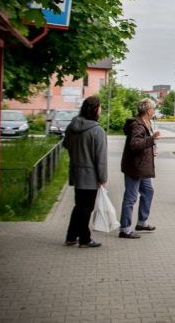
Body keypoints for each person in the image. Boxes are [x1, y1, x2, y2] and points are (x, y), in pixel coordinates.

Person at [63, 95, 107, 248]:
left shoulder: (72, 126)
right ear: (95, 109)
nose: (101, 110)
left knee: (79, 206)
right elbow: (100, 158)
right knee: (86, 208)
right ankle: (84, 239)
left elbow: (66, 144)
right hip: (90, 175)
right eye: (100, 107)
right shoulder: (97, 130)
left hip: (76, 172)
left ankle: (71, 237)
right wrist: (103, 177)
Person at [119, 98, 160, 239]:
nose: (154, 111)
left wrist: (152, 147)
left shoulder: (146, 123)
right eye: (153, 109)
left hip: (143, 166)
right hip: (135, 166)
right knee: (131, 197)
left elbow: (145, 143)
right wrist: (151, 140)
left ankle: (142, 222)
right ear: (148, 110)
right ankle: (125, 229)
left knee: (148, 191)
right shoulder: (138, 125)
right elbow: (135, 144)